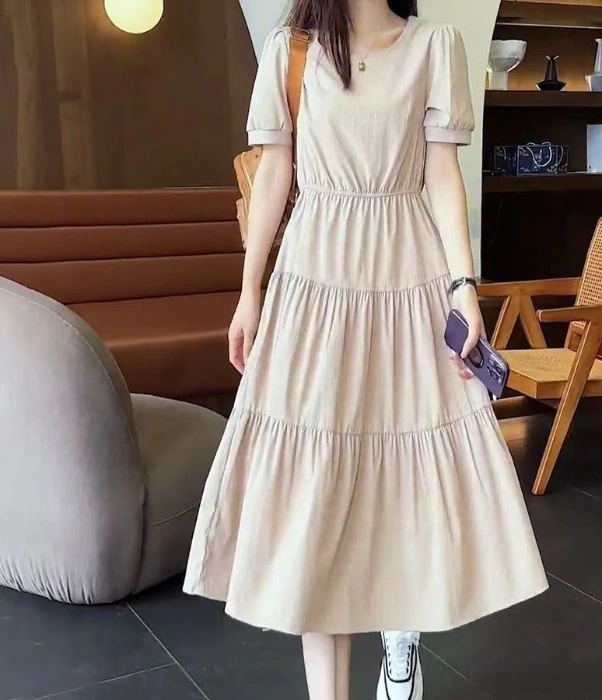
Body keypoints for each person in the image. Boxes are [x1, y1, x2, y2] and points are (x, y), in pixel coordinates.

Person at [183, 0, 549, 698]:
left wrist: (463, 285)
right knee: (317, 485)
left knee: (402, 462)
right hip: (315, 279)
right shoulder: (291, 50)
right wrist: (249, 291)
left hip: (407, 275)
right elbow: (274, 176)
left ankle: (400, 633)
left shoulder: (434, 46)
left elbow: (442, 175)